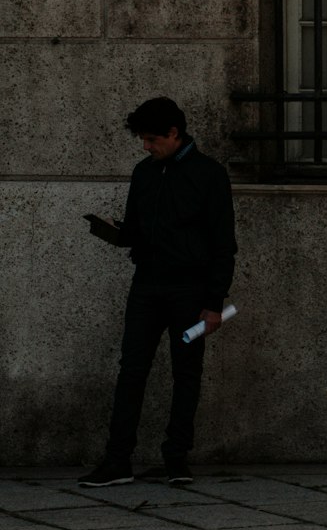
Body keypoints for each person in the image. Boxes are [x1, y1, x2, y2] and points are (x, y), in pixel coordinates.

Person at [79, 97, 237, 488]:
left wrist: (213, 304)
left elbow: (223, 243)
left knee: (187, 373)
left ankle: (176, 458)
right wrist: (115, 232)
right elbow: (135, 228)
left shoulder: (209, 175)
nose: (146, 147)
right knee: (131, 371)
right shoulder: (144, 173)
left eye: (152, 139)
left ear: (174, 133)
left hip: (190, 290)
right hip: (146, 286)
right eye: (143, 140)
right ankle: (117, 461)